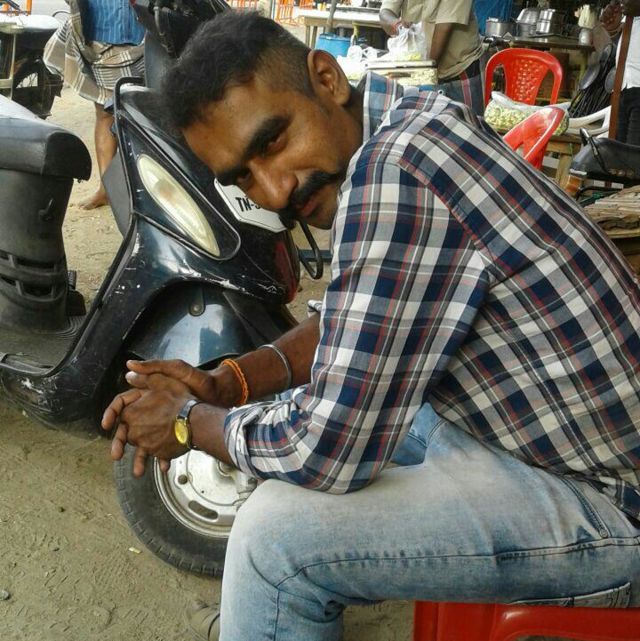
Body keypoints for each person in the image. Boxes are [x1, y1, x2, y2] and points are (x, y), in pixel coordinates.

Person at [102, 12, 640, 641]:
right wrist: (231, 383)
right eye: (242, 177)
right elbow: (356, 320)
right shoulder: (412, 122)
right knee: (322, 406)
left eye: (271, 142)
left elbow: (326, 452)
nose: (274, 191)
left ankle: (264, 608)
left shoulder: (395, 171)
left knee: (273, 542)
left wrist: (187, 422)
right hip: (554, 446)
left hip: (612, 504)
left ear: (326, 79)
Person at [43, 0, 144, 209]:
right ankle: (106, 189)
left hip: (147, 34)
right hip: (99, 35)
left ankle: (151, 188)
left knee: (151, 113)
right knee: (105, 113)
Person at [378, 0, 485, 115]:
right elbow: (385, 12)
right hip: (420, 73)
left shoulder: (427, 71)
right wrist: (396, 25)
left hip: (458, 69)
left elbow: (444, 28)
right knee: (419, 123)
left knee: (465, 121)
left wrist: (424, 75)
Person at [601, 0, 640, 145]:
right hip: (622, 87)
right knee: (617, 151)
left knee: (633, 153)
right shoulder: (631, 15)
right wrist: (612, 29)